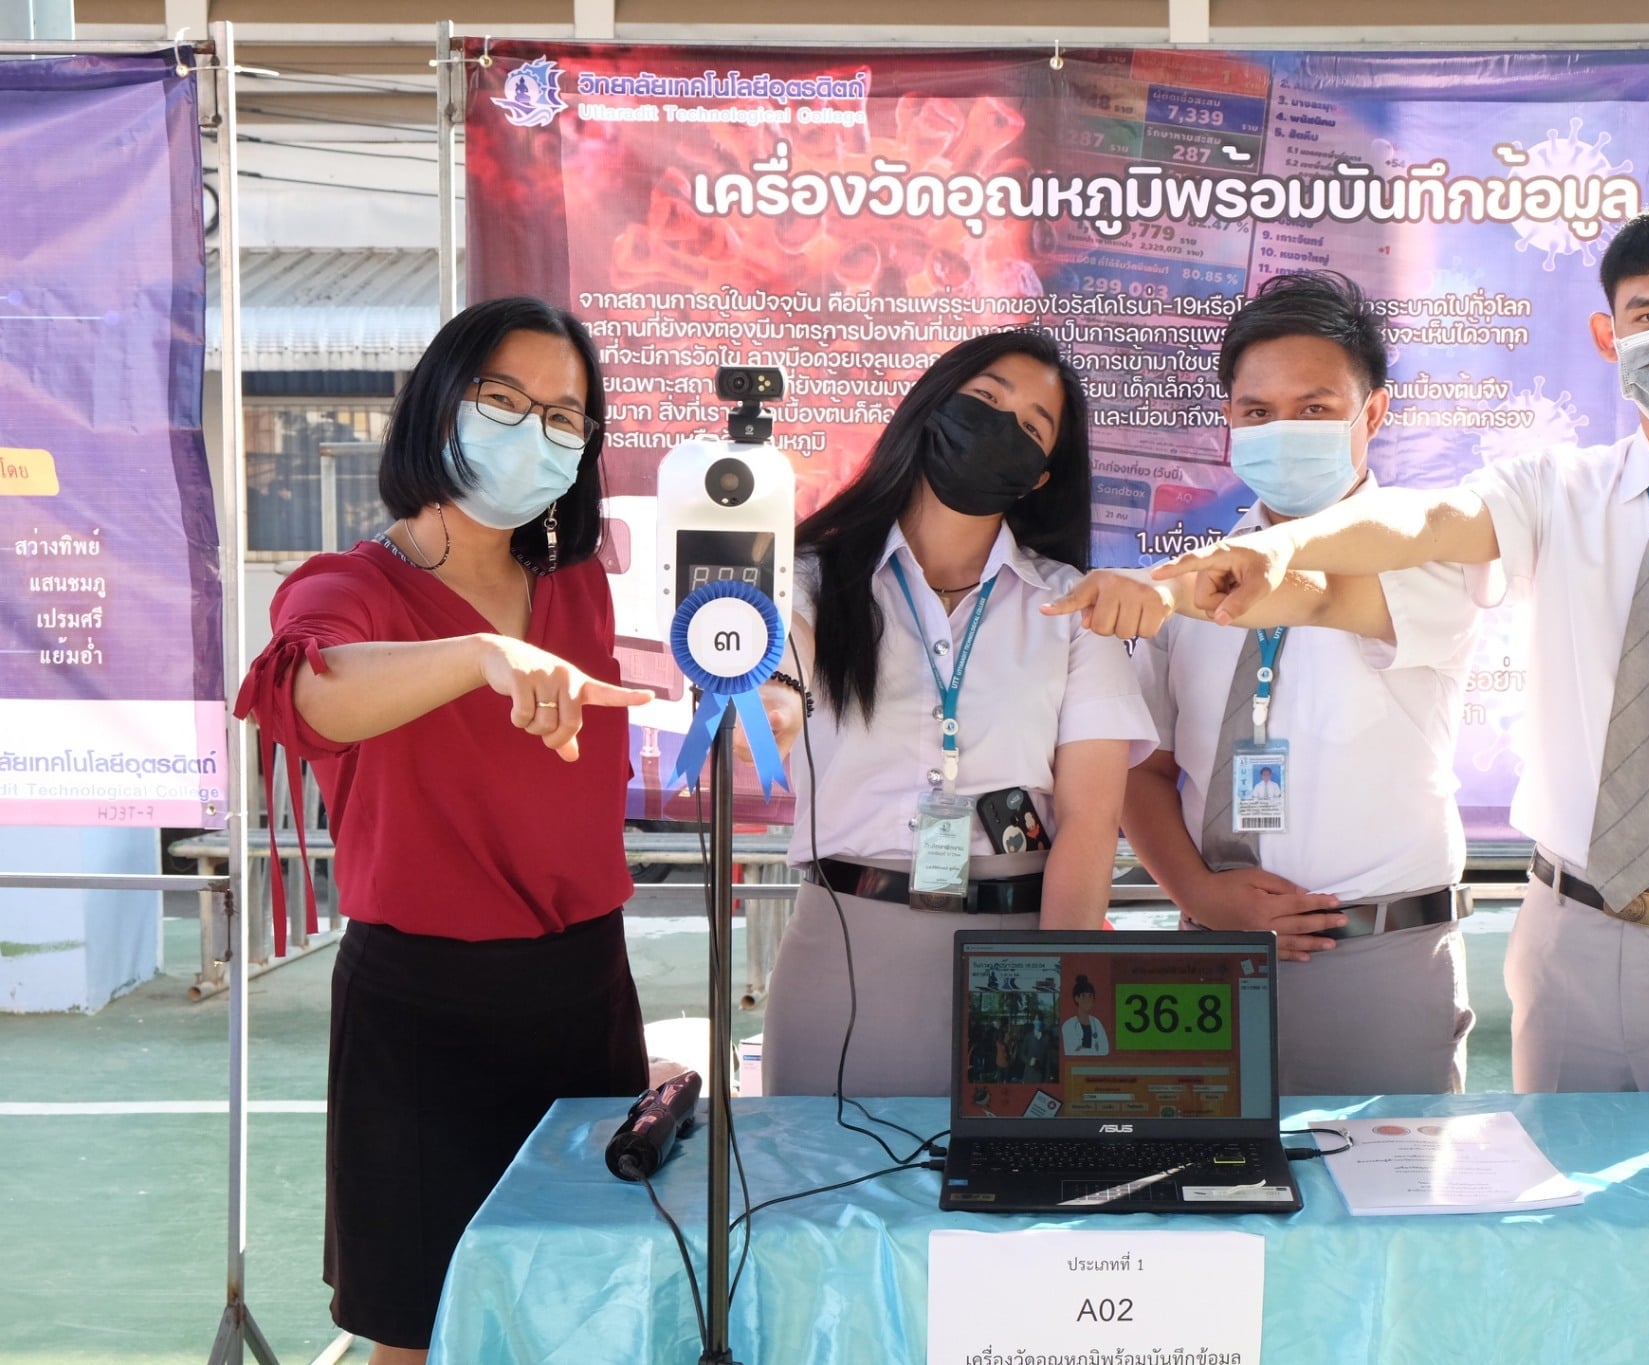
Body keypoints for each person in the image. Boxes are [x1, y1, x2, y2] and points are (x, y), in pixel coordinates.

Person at [1157, 199, 1649, 1178]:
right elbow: (1422, 527)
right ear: (1606, 336)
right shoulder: (1553, 492)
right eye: (1647, 313)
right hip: (1563, 945)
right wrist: (1273, 550)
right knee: (1553, 1245)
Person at [232, 297, 656, 1363]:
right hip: (421, 1004)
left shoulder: (577, 588)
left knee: (579, 1299)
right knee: (421, 1330)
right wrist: (477, 657)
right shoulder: (352, 587)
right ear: (439, 404)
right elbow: (309, 692)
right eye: (506, 399)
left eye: (567, 416)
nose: (536, 430)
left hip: (583, 988)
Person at [1048, 270, 1482, 1095]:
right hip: (1206, 957)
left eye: (1315, 409)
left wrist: (1175, 589)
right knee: (1207, 1210)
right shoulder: (1180, 582)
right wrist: (1203, 897)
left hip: (1376, 963)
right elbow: (1143, 769)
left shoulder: (1433, 556)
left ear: (1373, 414)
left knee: (1381, 1217)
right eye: (1258, 413)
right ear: (1229, 425)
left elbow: (1310, 590)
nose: (1284, 431)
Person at [760, 329, 1156, 1097]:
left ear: (1041, 475)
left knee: (1004, 1204)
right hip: (844, 946)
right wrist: (771, 700)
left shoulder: (1072, 603)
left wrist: (1057, 985)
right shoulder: (811, 576)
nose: (1004, 426)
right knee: (818, 1199)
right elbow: (782, 656)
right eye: (987, 400)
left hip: (1017, 955)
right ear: (932, 405)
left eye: (1034, 426)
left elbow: (1089, 820)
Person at [1061, 975, 1112, 1055]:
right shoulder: (1068, 1025)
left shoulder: (1097, 1023)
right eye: (1083, 996)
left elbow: (1105, 1050)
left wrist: (1081, 1048)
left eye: (1090, 996)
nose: (1087, 1000)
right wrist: (1095, 1049)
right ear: (1076, 998)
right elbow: (1071, 1052)